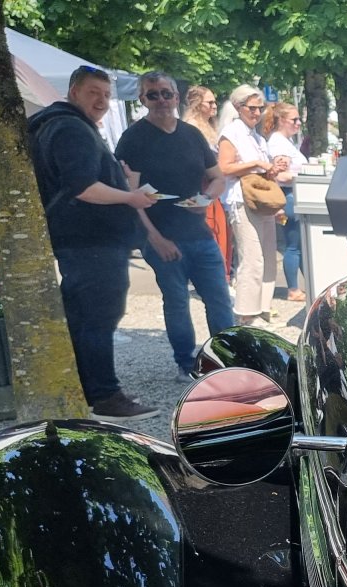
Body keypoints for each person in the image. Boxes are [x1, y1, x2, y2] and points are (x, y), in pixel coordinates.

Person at [26, 65, 159, 421]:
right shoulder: (71, 128)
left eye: (106, 94)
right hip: (91, 241)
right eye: (93, 92)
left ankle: (87, 391)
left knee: (83, 317)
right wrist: (131, 197)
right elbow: (83, 187)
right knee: (97, 318)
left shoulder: (57, 124)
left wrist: (119, 178)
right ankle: (105, 396)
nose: (101, 101)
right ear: (74, 92)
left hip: (80, 239)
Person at [116, 71, 234, 383]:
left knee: (219, 299)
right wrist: (154, 238)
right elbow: (130, 195)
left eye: (166, 93)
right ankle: (186, 363)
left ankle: (228, 360)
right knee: (177, 301)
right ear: (143, 100)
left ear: (176, 97)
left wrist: (206, 198)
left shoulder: (192, 135)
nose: (161, 100)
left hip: (198, 232)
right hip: (161, 235)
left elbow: (217, 177)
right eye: (152, 95)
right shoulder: (132, 139)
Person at [217, 85, 287, 325]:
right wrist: (257, 163)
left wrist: (272, 168)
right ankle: (246, 314)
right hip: (242, 199)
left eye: (260, 108)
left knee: (268, 257)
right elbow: (224, 167)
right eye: (252, 108)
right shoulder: (231, 133)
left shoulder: (257, 137)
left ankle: (262, 307)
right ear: (239, 107)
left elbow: (259, 170)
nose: (257, 113)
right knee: (252, 258)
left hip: (260, 199)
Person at [182, 85, 233, 281]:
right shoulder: (191, 127)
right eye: (209, 102)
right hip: (200, 184)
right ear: (197, 104)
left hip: (212, 185)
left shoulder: (208, 126)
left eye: (214, 102)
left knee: (218, 231)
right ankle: (210, 276)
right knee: (209, 230)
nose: (214, 106)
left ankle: (218, 275)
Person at [259, 101, 307, 304]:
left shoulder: (284, 142)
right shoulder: (279, 143)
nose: (298, 123)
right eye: (294, 120)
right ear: (281, 120)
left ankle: (306, 284)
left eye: (299, 119)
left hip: (292, 194)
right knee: (293, 245)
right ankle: (293, 289)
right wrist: (303, 176)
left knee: (300, 244)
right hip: (288, 195)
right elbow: (281, 175)